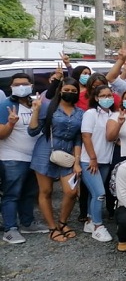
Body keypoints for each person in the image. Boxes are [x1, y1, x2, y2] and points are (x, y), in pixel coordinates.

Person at [28, 78, 84, 242]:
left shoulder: (80, 113)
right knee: (46, 191)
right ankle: (52, 228)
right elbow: (32, 131)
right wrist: (36, 111)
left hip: (68, 154)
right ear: (60, 90)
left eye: (74, 91)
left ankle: (63, 222)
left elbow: (78, 139)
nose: (70, 93)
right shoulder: (48, 107)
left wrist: (77, 161)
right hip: (45, 151)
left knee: (71, 191)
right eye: (67, 90)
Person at [0, 74, 49, 244]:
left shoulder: (34, 104)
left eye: (25, 84)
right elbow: (1, 134)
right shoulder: (5, 105)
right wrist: (11, 124)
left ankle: (27, 223)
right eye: (17, 84)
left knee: (29, 193)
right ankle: (10, 228)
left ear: (31, 86)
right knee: (12, 193)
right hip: (12, 158)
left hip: (33, 158)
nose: (21, 87)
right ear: (11, 87)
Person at [79, 85, 117, 242]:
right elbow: (86, 137)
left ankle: (89, 220)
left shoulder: (114, 115)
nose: (107, 98)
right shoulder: (91, 113)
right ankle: (97, 226)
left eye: (109, 95)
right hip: (90, 161)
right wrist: (93, 158)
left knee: (94, 194)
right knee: (99, 193)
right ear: (96, 98)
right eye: (103, 95)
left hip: (105, 161)